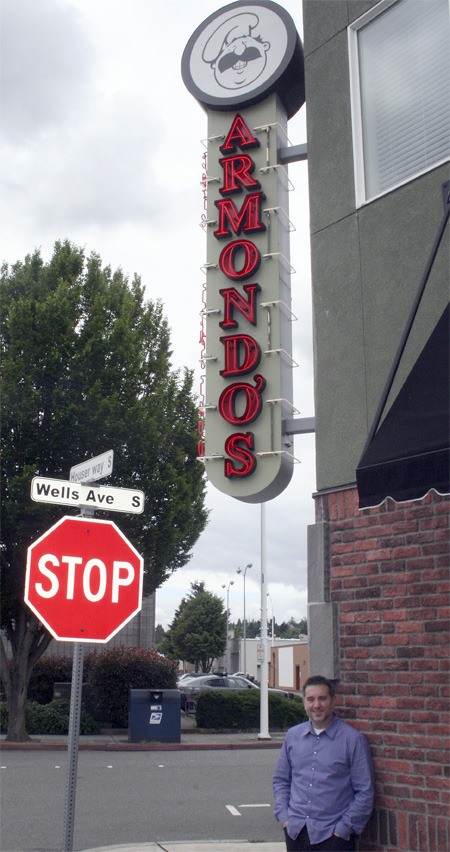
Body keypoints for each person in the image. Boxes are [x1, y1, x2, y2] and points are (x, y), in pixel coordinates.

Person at [273, 675, 374, 851]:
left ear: (333, 701)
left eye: (322, 698)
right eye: (310, 699)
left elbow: (365, 791)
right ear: (304, 702)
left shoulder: (352, 740)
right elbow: (281, 780)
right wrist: (284, 817)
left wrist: (343, 829)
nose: (316, 705)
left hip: (333, 837)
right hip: (296, 832)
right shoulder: (293, 736)